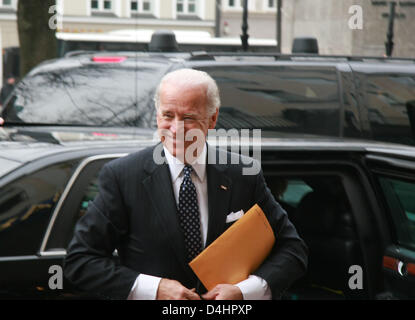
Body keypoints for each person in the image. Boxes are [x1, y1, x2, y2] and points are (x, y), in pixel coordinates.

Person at [64, 68, 308, 300]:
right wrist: (155, 289)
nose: (177, 129)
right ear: (157, 115)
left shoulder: (242, 175)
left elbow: (292, 250)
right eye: (168, 115)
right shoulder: (123, 177)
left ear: (212, 119)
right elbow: (81, 261)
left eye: (189, 118)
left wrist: (244, 292)